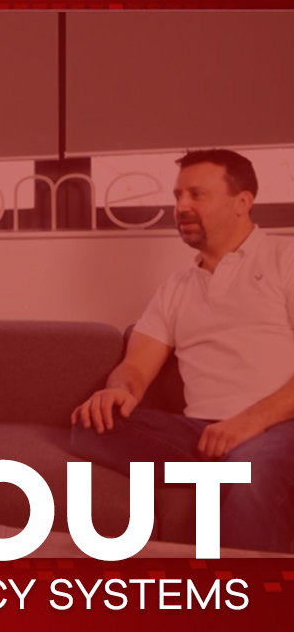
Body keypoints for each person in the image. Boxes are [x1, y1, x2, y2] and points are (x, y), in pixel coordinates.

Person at [71, 149, 294, 553]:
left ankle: (245, 606)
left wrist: (247, 423)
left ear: (242, 202)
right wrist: (120, 390)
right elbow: (135, 366)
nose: (181, 207)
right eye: (177, 196)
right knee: (92, 426)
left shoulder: (286, 260)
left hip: (279, 427)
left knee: (253, 469)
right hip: (201, 432)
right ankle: (225, 469)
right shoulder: (176, 287)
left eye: (196, 195)